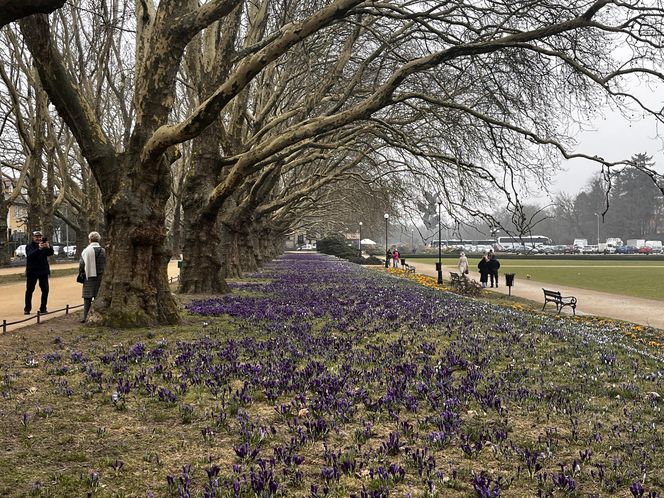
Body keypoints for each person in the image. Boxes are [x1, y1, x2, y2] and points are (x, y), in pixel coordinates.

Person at [79, 231, 106, 323]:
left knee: (87, 298)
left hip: (89, 277)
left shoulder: (86, 251)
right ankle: (99, 316)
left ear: (89, 240)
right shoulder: (103, 251)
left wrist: (81, 273)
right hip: (100, 277)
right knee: (98, 297)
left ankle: (85, 317)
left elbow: (82, 264)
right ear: (99, 240)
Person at [25, 230, 54, 314]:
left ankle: (43, 308)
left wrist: (48, 247)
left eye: (40, 237)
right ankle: (27, 308)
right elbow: (30, 256)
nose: (38, 238)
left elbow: (50, 253)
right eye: (36, 237)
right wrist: (39, 249)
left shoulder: (44, 245)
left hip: (43, 271)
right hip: (32, 272)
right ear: (33, 237)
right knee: (29, 290)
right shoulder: (29, 246)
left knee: (45, 290)